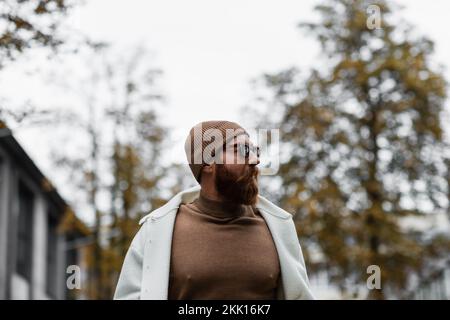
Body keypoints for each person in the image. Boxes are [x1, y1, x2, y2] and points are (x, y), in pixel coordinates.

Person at [114, 120, 314, 299]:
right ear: (208, 162)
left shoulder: (279, 227)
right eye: (243, 150)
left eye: (256, 151)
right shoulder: (157, 231)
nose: (255, 160)